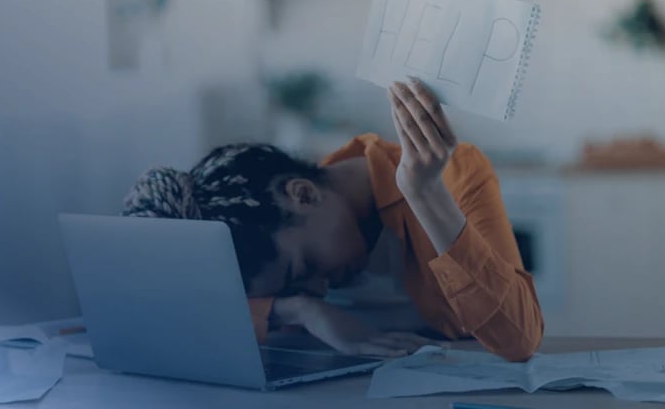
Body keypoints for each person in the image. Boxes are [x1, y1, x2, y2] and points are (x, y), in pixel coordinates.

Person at [122, 78, 543, 361]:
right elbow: (173, 314)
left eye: (305, 269)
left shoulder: (453, 173)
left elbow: (519, 338)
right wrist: (300, 310)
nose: (321, 287)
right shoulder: (303, 270)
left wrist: (426, 194)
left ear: (302, 195)